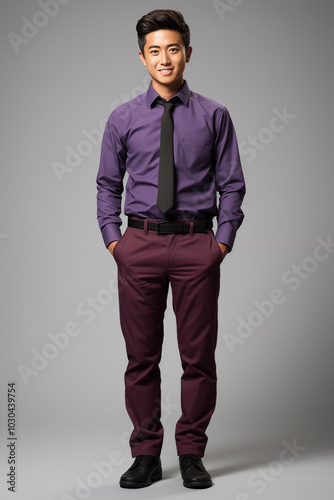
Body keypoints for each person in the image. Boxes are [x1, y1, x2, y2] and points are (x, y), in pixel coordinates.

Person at [96, 9, 245, 489]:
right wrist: (113, 239)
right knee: (141, 358)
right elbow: (106, 185)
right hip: (138, 245)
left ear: (188, 53)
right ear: (142, 58)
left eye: (173, 48)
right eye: (155, 50)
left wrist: (221, 241)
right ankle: (144, 454)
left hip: (196, 245)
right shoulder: (123, 118)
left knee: (198, 357)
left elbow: (233, 185)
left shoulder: (214, 115)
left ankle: (191, 453)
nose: (165, 58)